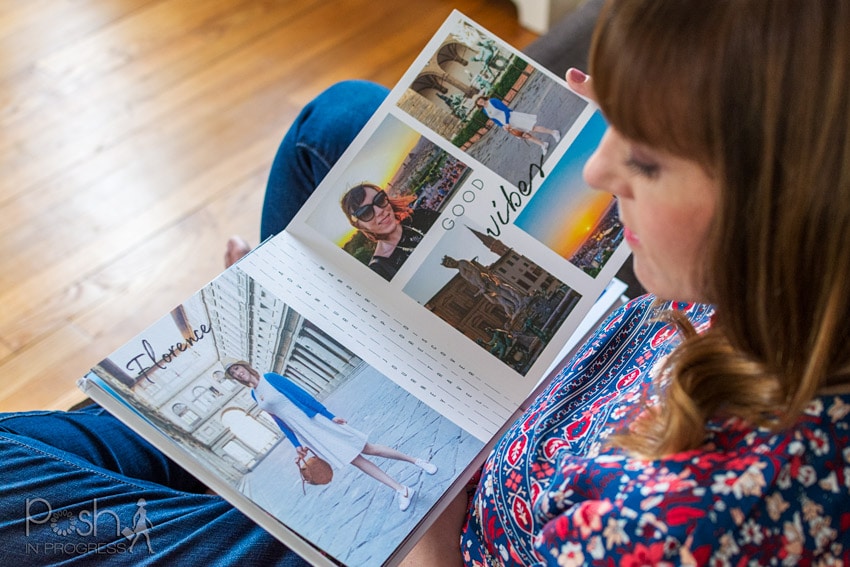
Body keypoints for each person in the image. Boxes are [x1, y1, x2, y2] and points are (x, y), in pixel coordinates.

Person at [2, 1, 849, 564]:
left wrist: (428, 529)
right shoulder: (805, 287)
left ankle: (213, 475)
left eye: (647, 161)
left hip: (431, 522)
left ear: (777, 206)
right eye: (613, 125)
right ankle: (205, 452)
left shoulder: (682, 523)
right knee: (335, 123)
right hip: (549, 373)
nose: (597, 169)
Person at [224, 361, 437, 511]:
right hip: (308, 434)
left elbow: (302, 395)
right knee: (355, 461)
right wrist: (296, 444)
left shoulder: (270, 378)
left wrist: (329, 415)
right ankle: (402, 489)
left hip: (316, 420)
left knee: (367, 448)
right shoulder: (254, 394)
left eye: (237, 368)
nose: (237, 373)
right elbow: (280, 421)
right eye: (233, 374)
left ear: (244, 366)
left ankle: (418, 461)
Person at [339, 182, 440, 281]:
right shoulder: (380, 271)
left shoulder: (420, 216)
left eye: (379, 199)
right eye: (366, 212)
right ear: (359, 225)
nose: (379, 211)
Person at [473, 95, 561, 156]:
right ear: (479, 105)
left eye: (480, 100)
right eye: (479, 103)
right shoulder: (485, 110)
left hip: (512, 118)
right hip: (507, 125)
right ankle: (542, 144)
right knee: (524, 135)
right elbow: (494, 119)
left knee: (532, 128)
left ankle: (553, 132)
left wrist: (507, 121)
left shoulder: (492, 101)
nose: (481, 102)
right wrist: (502, 126)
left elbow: (505, 110)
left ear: (483, 98)